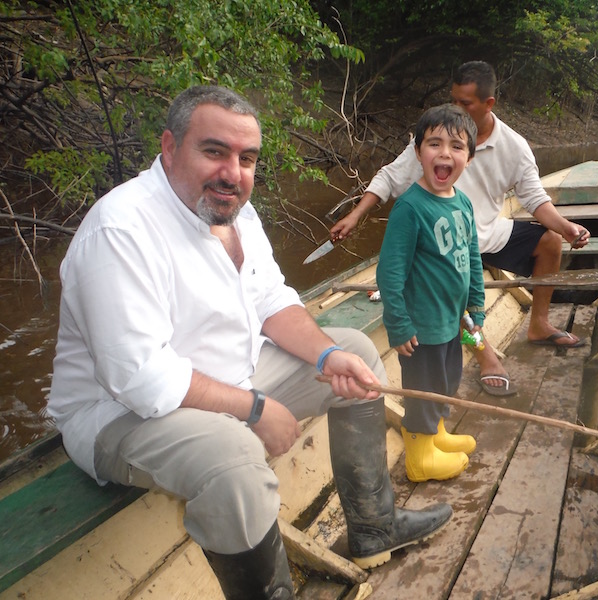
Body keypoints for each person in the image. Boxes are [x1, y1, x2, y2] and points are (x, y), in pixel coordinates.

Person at [48, 85, 452, 600]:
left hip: (227, 373)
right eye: (214, 151)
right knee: (236, 462)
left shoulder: (233, 211)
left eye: (247, 158)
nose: (233, 172)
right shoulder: (120, 230)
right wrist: (256, 408)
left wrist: (328, 356)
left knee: (359, 354)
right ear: (170, 148)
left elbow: (271, 300)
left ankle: (375, 526)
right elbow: (142, 379)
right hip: (120, 413)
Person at [331, 61, 590, 397]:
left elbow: (534, 199)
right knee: (448, 280)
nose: (456, 109)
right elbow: (390, 177)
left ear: (489, 104)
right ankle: (485, 356)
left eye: (465, 104)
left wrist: (567, 227)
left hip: (484, 231)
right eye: (454, 100)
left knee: (550, 241)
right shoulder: (435, 138)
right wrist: (355, 215)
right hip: (443, 239)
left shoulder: (513, 146)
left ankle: (539, 325)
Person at [376, 104, 483, 483]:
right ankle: (419, 458)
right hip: (421, 328)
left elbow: (471, 257)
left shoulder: (463, 203)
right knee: (422, 391)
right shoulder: (409, 207)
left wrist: (477, 307)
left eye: (456, 146)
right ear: (418, 152)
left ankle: (436, 435)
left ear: (469, 158)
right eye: (433, 143)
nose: (444, 153)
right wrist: (399, 324)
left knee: (446, 383)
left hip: (452, 322)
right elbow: (389, 271)